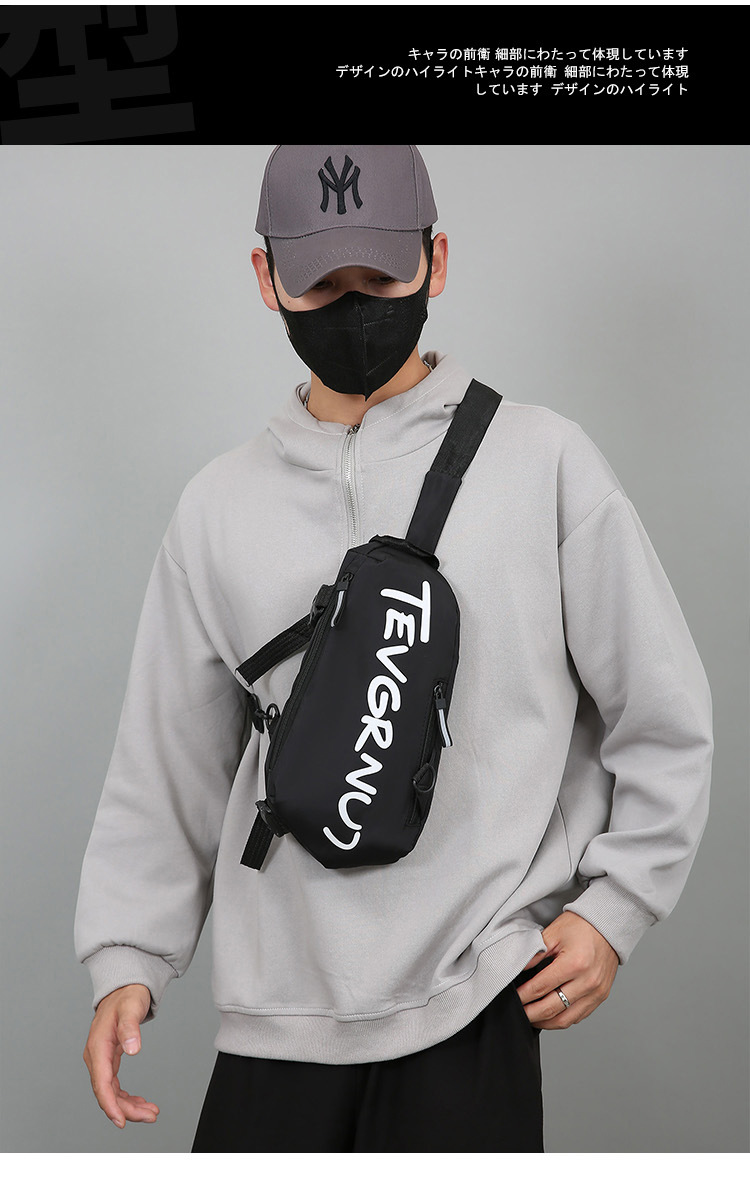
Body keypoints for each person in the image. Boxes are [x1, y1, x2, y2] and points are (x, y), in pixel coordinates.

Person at [75, 145, 714, 1152]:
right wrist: (127, 957)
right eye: (322, 282)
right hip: (275, 1013)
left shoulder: (544, 463)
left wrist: (617, 906)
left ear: (436, 261)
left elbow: (663, 709)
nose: (355, 307)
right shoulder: (216, 508)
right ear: (266, 279)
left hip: (475, 992)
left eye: (380, 277)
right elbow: (168, 762)